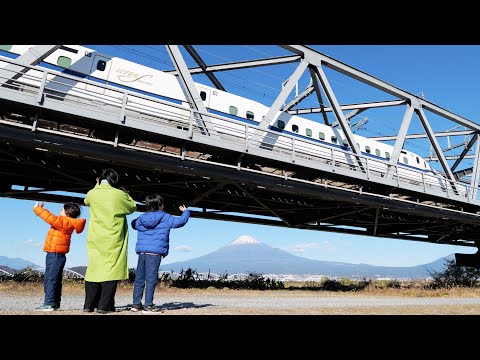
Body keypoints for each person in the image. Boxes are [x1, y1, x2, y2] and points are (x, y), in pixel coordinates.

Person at [83, 168, 137, 313]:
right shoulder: (119, 194)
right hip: (113, 236)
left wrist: (96, 185)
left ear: (101, 179)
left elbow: (86, 200)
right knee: (111, 271)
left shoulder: (93, 193)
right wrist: (126, 194)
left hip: (95, 236)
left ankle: (88, 306)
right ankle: (103, 307)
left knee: (94, 269)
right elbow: (132, 207)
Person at [130, 194, 190, 313]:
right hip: (155, 253)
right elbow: (180, 222)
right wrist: (186, 211)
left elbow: (133, 224)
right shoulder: (165, 217)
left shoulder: (141, 218)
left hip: (142, 252)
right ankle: (148, 305)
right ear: (160, 205)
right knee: (151, 279)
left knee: (140, 278)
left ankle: (136, 304)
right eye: (162, 203)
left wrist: (136, 221)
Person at [33, 201, 86, 311]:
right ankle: (55, 303)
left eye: (61, 210)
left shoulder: (64, 222)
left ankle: (49, 303)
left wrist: (38, 209)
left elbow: (50, 218)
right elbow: (53, 218)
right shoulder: (66, 222)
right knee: (55, 279)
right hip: (57, 254)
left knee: (50, 279)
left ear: (67, 214)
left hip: (55, 254)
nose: (59, 211)